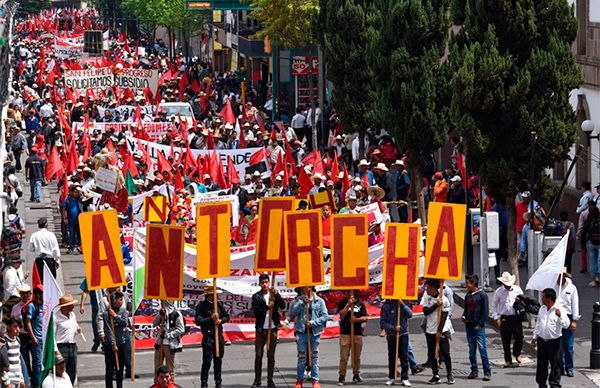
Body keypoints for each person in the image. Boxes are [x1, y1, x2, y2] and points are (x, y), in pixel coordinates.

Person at [289, 286, 328, 388]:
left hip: (314, 333)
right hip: (301, 333)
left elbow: (324, 316)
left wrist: (313, 323)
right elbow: (293, 313)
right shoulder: (298, 300)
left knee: (314, 356)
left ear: (311, 287)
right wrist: (302, 303)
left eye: (308, 287)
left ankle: (315, 380)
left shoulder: (319, 301)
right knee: (302, 357)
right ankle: (299, 380)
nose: (305, 289)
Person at [251, 274, 285, 388]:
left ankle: (270, 380)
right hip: (261, 329)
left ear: (269, 283)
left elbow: (283, 305)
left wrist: (277, 295)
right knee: (259, 355)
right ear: (260, 284)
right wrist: (267, 307)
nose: (265, 284)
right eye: (263, 282)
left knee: (271, 356)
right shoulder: (256, 296)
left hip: (272, 328)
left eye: (266, 282)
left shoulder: (273, 294)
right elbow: (256, 312)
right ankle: (257, 379)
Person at [532, 288, 570, 388]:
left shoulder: (559, 309)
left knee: (555, 365)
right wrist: (534, 337)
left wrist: (560, 316)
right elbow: (539, 324)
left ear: (549, 298)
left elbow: (566, 325)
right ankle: (541, 384)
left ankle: (554, 384)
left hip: (555, 342)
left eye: (543, 296)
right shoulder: (542, 309)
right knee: (541, 364)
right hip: (542, 341)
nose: (541, 298)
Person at [195, 285, 230, 388]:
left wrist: (221, 320)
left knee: (218, 360)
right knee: (207, 361)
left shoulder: (219, 304)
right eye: (215, 295)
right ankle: (204, 383)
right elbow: (198, 321)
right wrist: (211, 318)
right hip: (208, 337)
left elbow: (226, 316)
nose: (217, 296)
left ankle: (218, 382)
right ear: (209, 295)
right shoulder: (201, 306)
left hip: (218, 336)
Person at [422, 279, 454, 385]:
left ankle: (449, 374)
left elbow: (444, 316)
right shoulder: (427, 297)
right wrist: (436, 305)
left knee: (445, 352)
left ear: (433, 288)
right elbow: (426, 311)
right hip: (429, 330)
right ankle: (435, 375)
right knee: (432, 353)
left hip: (442, 330)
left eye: (427, 287)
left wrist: (439, 331)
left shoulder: (444, 299)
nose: (426, 289)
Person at [461, 274, 491, 381]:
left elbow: (485, 311)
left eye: (468, 283)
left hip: (478, 327)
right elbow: (466, 309)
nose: (466, 285)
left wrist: (480, 324)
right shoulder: (467, 296)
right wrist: (464, 316)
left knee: (482, 349)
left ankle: (487, 371)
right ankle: (474, 370)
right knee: (471, 350)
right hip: (469, 326)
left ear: (473, 283)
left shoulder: (482, 295)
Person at [491, 272, 524, 367]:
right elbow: (493, 305)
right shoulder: (499, 292)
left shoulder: (517, 289)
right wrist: (496, 317)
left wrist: (520, 302)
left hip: (515, 317)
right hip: (505, 318)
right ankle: (508, 359)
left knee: (519, 337)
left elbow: (523, 300)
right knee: (506, 340)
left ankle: (517, 353)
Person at [336, 290, 367, 386]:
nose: (348, 294)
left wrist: (357, 320)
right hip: (345, 333)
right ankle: (342, 377)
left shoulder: (360, 304)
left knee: (356, 356)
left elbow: (365, 318)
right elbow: (342, 315)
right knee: (344, 357)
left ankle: (356, 375)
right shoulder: (343, 302)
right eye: (347, 292)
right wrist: (348, 305)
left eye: (350, 292)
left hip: (357, 334)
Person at [380, 298, 413, 387]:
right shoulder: (386, 305)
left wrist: (402, 304)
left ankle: (405, 378)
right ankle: (392, 377)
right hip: (392, 335)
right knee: (392, 357)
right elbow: (382, 322)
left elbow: (410, 314)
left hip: (403, 334)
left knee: (404, 356)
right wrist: (392, 327)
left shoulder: (405, 302)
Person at [554, 270, 580, 377]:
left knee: (568, 345)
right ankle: (560, 367)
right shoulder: (553, 286)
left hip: (568, 317)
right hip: (556, 316)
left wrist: (574, 320)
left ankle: (569, 367)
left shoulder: (571, 287)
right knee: (558, 345)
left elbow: (575, 304)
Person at [101, 291, 129, 388]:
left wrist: (116, 316)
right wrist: (113, 344)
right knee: (109, 369)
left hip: (121, 343)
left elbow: (125, 323)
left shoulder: (123, 311)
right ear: (114, 300)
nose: (122, 301)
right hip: (110, 345)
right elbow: (108, 330)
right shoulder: (106, 314)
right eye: (120, 299)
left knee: (119, 369)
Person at [153, 301, 185, 374]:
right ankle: (157, 383)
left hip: (170, 345)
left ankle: (170, 383)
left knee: (169, 368)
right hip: (159, 343)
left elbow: (181, 329)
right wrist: (160, 314)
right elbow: (154, 323)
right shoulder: (161, 312)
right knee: (157, 366)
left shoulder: (176, 314)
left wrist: (168, 335)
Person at [55, 295, 81, 385]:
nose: (73, 306)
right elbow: (52, 336)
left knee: (72, 371)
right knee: (61, 372)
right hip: (61, 347)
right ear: (66, 306)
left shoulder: (72, 315)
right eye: (71, 304)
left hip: (72, 346)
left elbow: (75, 325)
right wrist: (56, 351)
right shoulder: (55, 318)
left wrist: (77, 329)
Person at [28, 217, 60, 281]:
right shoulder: (51, 235)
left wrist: (38, 248)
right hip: (49, 260)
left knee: (40, 280)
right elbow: (56, 250)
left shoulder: (34, 235)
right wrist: (57, 260)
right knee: (51, 281)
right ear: (46, 225)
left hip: (39, 260)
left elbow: (31, 249)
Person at [24, 285, 43, 388]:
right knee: (37, 364)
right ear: (38, 295)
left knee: (44, 362)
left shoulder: (45, 305)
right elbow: (28, 322)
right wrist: (33, 337)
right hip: (37, 339)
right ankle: (37, 384)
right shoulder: (32, 306)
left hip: (45, 338)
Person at [581, 205, 600, 287]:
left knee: (592, 260)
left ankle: (593, 279)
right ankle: (598, 276)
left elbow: (584, 233)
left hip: (590, 242)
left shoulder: (588, 221)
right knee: (599, 260)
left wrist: (582, 245)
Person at [62, 186, 82, 254]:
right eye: (76, 192)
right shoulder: (68, 200)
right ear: (72, 192)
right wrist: (64, 218)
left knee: (79, 233)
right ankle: (71, 247)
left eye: (77, 192)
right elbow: (64, 209)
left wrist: (82, 193)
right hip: (71, 219)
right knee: (71, 233)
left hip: (79, 219)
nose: (77, 193)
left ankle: (80, 247)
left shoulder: (80, 199)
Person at [5, 317, 24, 388]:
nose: (18, 330)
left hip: (17, 380)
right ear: (9, 327)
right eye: (15, 327)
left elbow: (19, 362)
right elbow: (3, 364)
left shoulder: (18, 340)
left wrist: (21, 379)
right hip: (9, 382)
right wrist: (7, 382)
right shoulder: (4, 342)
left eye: (19, 327)